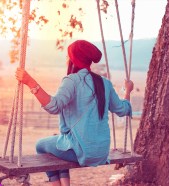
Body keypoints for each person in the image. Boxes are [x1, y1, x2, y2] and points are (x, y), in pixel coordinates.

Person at [15, 40, 133, 186]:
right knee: (60, 141)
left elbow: (54, 106)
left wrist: (29, 81)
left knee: (40, 145)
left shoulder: (72, 80)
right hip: (101, 152)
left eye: (67, 56)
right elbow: (123, 109)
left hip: (83, 151)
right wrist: (128, 91)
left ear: (72, 60)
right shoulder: (104, 83)